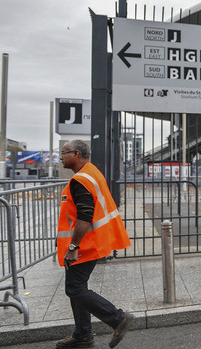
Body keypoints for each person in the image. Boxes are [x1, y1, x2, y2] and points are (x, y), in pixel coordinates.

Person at [55, 140, 134, 349]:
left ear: (77, 153)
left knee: (75, 289)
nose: (60, 157)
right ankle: (82, 335)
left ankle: (118, 319)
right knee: (77, 288)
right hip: (93, 241)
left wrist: (73, 248)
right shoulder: (91, 172)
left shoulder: (81, 180)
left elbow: (85, 216)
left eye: (63, 153)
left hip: (85, 246)